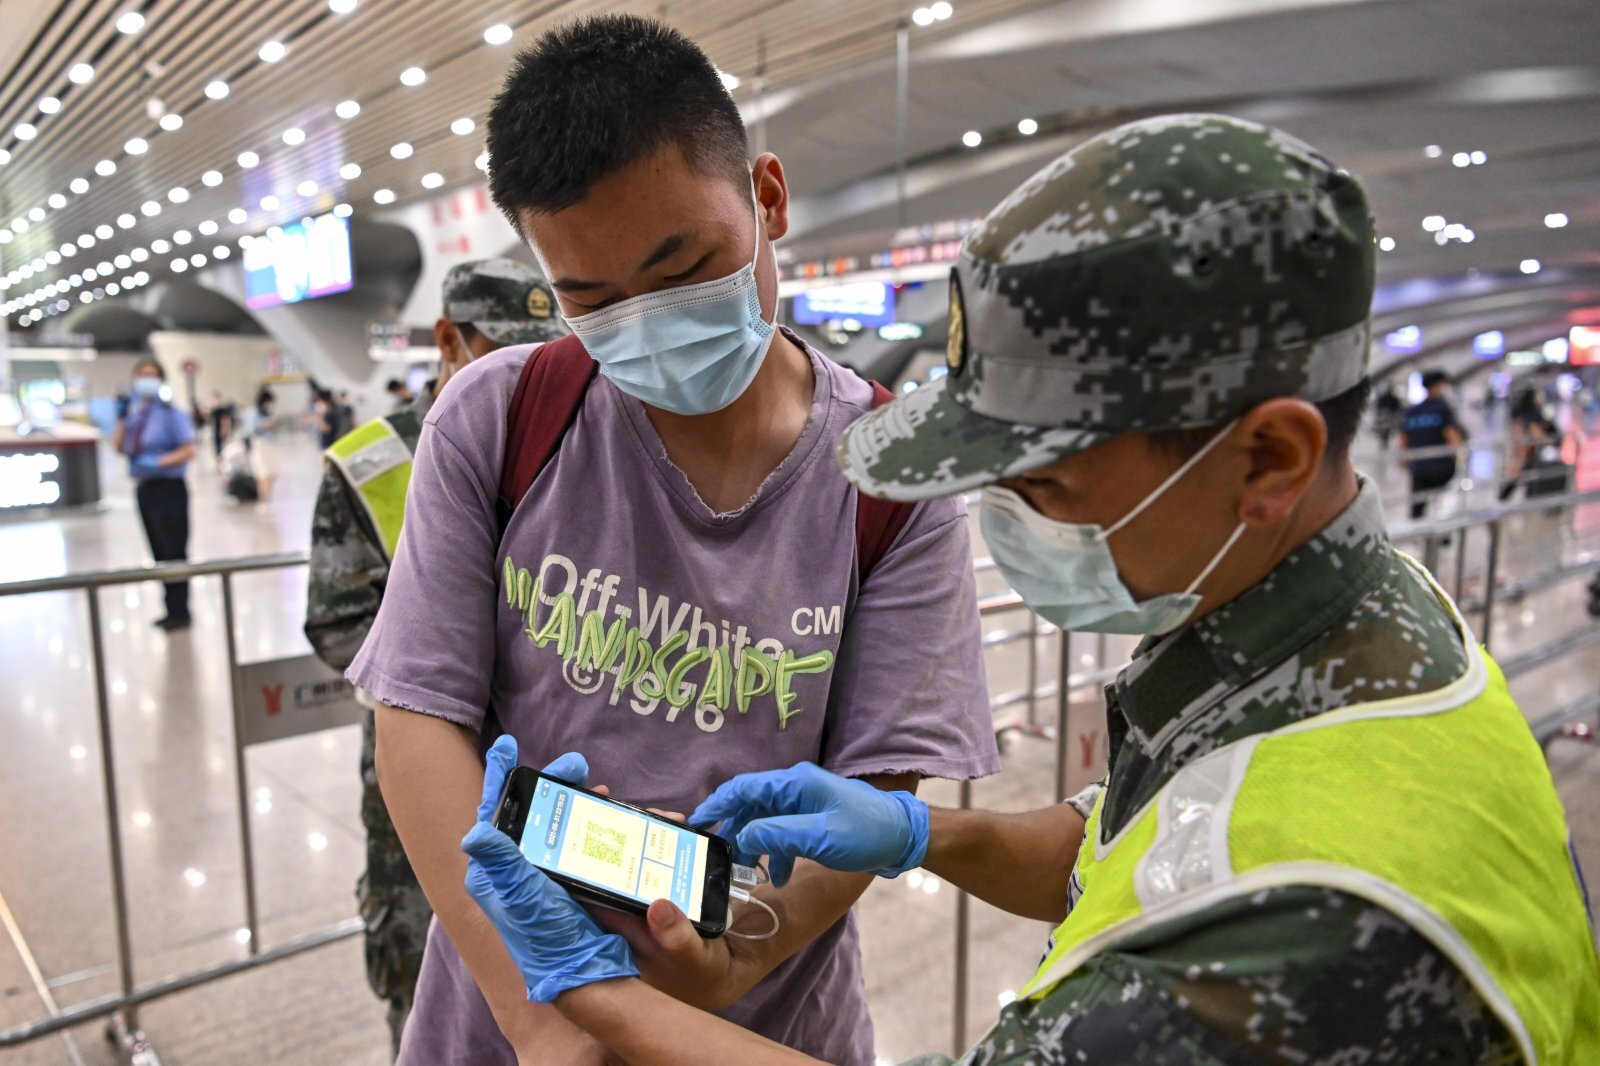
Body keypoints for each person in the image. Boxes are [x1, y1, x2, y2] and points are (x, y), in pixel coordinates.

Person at [460, 114, 1600, 1064]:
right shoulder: (1354, 622)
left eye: (1043, 482)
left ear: (1269, 459)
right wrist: (922, 832)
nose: (1001, 521)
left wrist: (589, 992)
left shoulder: (1306, 933)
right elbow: (1139, 855)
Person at [345, 15, 997, 1065]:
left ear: (766, 197)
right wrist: (536, 1014)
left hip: (773, 1022)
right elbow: (417, 720)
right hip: (502, 1022)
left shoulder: (888, 480)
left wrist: (740, 956)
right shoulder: (500, 418)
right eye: (589, 299)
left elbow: (879, 787)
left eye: (681, 264)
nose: (644, 322)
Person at [304, 259, 567, 1056]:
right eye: (500, 345)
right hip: (423, 756)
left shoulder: (558, 432)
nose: (522, 365)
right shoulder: (370, 460)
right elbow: (336, 621)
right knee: (423, 957)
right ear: (449, 338)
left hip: (541, 763)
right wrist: (447, 671)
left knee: (544, 959)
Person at [112, 357, 197, 630]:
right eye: (142, 374)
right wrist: (122, 420)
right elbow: (121, 448)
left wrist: (160, 462)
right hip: (145, 489)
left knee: (174, 550)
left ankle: (180, 610)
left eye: (152, 374)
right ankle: (169, 608)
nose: (147, 379)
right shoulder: (136, 415)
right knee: (158, 551)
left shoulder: (172, 414)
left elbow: (189, 449)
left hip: (169, 488)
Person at [1401, 370, 1465, 519]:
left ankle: (1415, 535)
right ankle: (1440, 537)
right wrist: (1460, 455)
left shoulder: (1412, 411)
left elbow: (1403, 440)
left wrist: (1406, 461)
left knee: (1418, 506)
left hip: (1419, 466)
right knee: (1441, 503)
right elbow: (1451, 435)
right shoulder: (1442, 408)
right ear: (1438, 385)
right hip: (1442, 466)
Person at [241, 388, 286, 504]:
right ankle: (262, 502)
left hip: (271, 445)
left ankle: (268, 499)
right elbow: (251, 430)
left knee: (273, 474)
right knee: (264, 475)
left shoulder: (271, 413)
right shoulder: (252, 413)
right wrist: (267, 425)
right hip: (259, 446)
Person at [1372, 383, 1401, 451]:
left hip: (1386, 415)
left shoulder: (1386, 398)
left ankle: (1384, 441)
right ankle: (1384, 441)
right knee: (1385, 430)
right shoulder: (1391, 398)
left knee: (1385, 430)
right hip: (1387, 415)